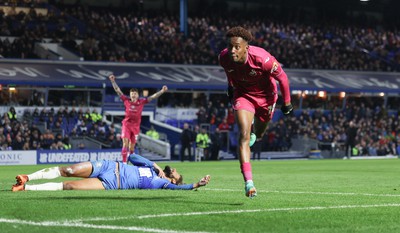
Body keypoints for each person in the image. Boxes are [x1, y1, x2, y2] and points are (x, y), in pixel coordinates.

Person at [219, 26, 293, 198]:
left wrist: (287, 102)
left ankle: (255, 131)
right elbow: (229, 72)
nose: (232, 50)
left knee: (259, 133)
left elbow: (282, 78)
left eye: (237, 47)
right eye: (230, 46)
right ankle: (249, 183)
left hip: (266, 98)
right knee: (243, 134)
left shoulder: (263, 59)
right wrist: (230, 86)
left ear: (246, 47)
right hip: (243, 95)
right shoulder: (223, 57)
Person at [12, 153, 211, 191]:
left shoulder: (163, 184)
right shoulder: (153, 170)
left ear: (173, 181)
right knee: (69, 170)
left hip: (110, 184)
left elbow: (182, 188)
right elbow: (132, 157)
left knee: (70, 186)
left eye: (177, 174)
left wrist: (196, 184)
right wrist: (155, 165)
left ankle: (26, 188)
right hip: (110, 167)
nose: (175, 171)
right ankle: (27, 177)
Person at [109, 74, 168, 163]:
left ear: (137, 95)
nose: (133, 95)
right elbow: (118, 90)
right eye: (132, 94)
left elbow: (153, 97)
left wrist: (162, 91)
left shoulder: (141, 102)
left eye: (135, 94)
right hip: (127, 124)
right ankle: (124, 163)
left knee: (132, 147)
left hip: (136, 126)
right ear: (130, 94)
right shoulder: (126, 100)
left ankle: (132, 162)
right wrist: (113, 81)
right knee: (125, 143)